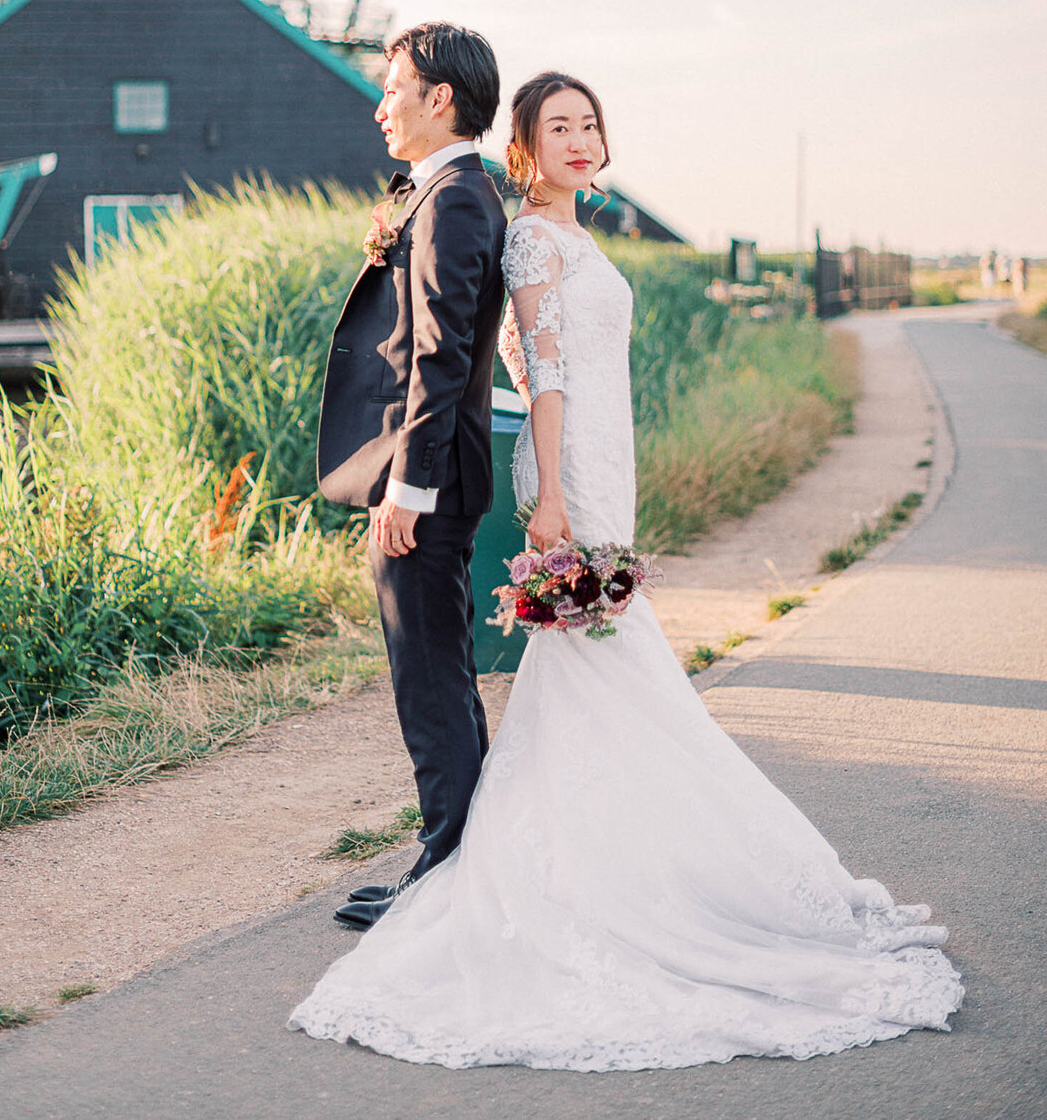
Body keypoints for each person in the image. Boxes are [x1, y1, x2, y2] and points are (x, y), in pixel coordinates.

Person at [290, 70, 963, 1071]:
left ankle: (586, 849)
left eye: (589, 124)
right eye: (557, 126)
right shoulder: (529, 233)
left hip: (608, 459)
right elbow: (541, 369)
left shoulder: (581, 234)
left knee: (598, 661)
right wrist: (552, 492)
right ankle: (545, 863)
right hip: (572, 470)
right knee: (605, 656)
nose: (579, 139)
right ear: (524, 144)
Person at [316, 21, 507, 930]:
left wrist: (409, 488)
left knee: (428, 676)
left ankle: (444, 871)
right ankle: (457, 855)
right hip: (421, 477)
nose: (379, 102)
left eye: (393, 85)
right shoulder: (442, 192)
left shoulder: (459, 197)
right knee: (441, 671)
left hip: (423, 483)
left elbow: (442, 355)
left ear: (441, 99)